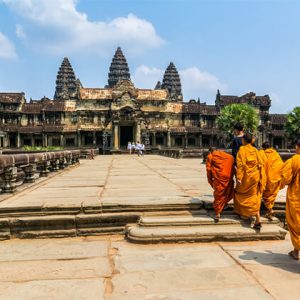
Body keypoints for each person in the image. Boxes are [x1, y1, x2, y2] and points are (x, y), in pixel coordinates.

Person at [234, 132, 266, 229]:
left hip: (245, 178)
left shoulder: (242, 150)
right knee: (254, 197)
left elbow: (240, 165)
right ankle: (258, 219)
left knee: (240, 194)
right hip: (255, 177)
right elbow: (261, 163)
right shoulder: (255, 150)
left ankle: (245, 214)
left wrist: (239, 177)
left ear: (243, 140)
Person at [280, 139, 300, 260]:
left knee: (296, 224)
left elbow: (285, 179)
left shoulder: (294, 161)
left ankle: (296, 250)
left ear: (297, 147)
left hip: (297, 198)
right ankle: (295, 251)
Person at [206, 147, 235, 221]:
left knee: (218, 194)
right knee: (227, 192)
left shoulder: (210, 156)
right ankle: (224, 204)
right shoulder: (226, 155)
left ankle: (218, 213)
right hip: (228, 176)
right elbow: (232, 158)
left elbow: (208, 169)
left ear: (210, 151)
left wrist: (210, 180)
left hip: (219, 178)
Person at [259, 141, 283, 218]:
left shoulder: (261, 153)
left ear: (263, 148)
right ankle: (270, 210)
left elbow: (260, 165)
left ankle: (269, 210)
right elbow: (280, 164)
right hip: (275, 178)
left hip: (266, 179)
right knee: (271, 195)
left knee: (265, 195)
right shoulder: (276, 154)